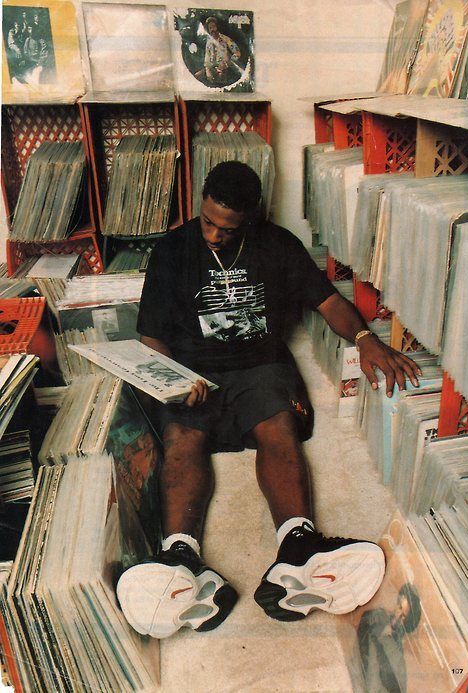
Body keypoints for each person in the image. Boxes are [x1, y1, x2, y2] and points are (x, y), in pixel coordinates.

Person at [116, 161, 421, 639]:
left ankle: (298, 547)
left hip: (260, 364)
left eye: (227, 228)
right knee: (180, 438)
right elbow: (152, 336)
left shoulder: (277, 245)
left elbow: (328, 302)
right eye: (209, 221)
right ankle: (180, 556)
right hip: (193, 370)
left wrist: (365, 338)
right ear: (201, 202)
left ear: (250, 219)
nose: (215, 235)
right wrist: (173, 380)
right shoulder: (173, 250)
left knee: (277, 427)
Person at [356, 583, 422, 692]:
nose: (398, 615)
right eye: (400, 607)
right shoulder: (375, 616)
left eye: (404, 616)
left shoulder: (397, 657)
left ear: (406, 623)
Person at [202, 16, 241, 86]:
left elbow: (237, 52)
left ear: (217, 27)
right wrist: (208, 70)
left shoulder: (225, 39)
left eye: (213, 26)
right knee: (198, 76)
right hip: (213, 69)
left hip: (225, 69)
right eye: (210, 28)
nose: (212, 29)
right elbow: (207, 57)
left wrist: (227, 63)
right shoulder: (209, 42)